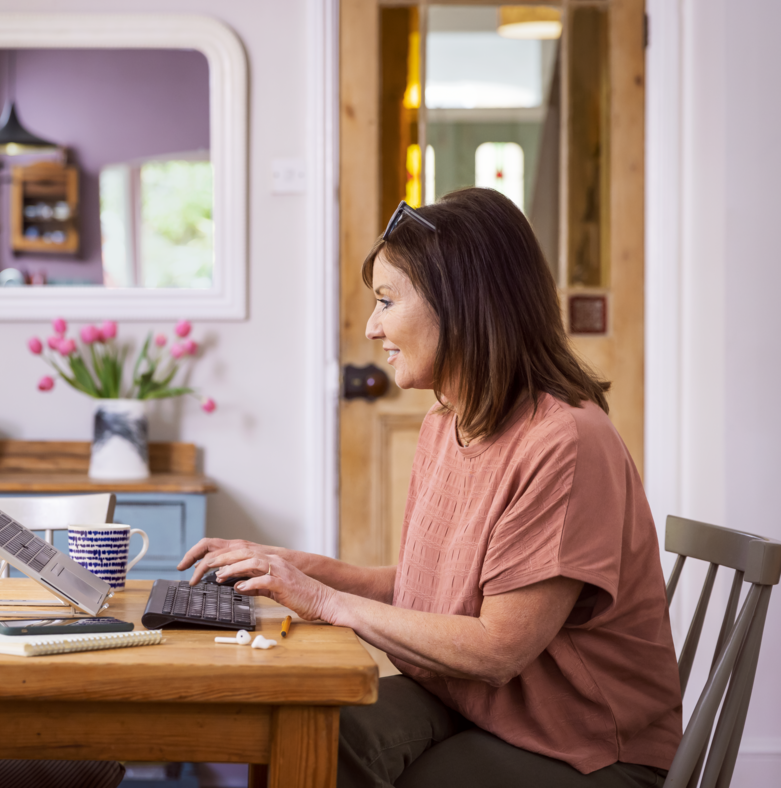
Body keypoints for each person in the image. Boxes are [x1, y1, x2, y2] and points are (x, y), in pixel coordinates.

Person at [177, 187, 682, 788]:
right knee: (303, 730)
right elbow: (431, 590)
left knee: (342, 757)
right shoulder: (447, 424)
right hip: (477, 706)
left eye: (387, 300)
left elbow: (497, 648)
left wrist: (326, 601)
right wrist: (292, 570)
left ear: (464, 304)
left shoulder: (565, 442)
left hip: (584, 746)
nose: (372, 327)